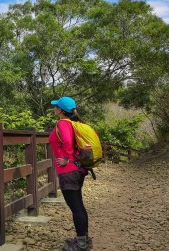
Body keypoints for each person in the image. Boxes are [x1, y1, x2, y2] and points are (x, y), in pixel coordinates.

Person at [49, 96, 92, 251]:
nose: (54, 108)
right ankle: (84, 239)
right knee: (79, 205)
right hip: (77, 169)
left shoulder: (62, 123)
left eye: (56, 106)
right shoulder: (74, 123)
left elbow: (67, 142)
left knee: (76, 207)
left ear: (60, 110)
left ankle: (81, 244)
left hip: (68, 171)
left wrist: (66, 158)